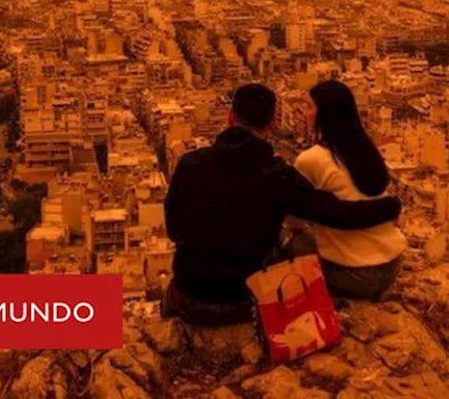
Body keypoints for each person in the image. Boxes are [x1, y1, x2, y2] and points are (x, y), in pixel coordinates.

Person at [163, 83, 402, 326]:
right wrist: (390, 206)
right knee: (285, 242)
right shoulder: (278, 176)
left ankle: (167, 345)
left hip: (189, 297)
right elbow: (339, 214)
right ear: (272, 124)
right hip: (245, 301)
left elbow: (174, 230)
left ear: (230, 117)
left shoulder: (189, 164)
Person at [286, 80, 406, 300]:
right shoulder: (366, 151)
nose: (305, 113)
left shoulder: (310, 159)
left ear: (326, 114)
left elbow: (294, 221)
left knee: (292, 239)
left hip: (355, 278)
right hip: (391, 267)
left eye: (310, 107)